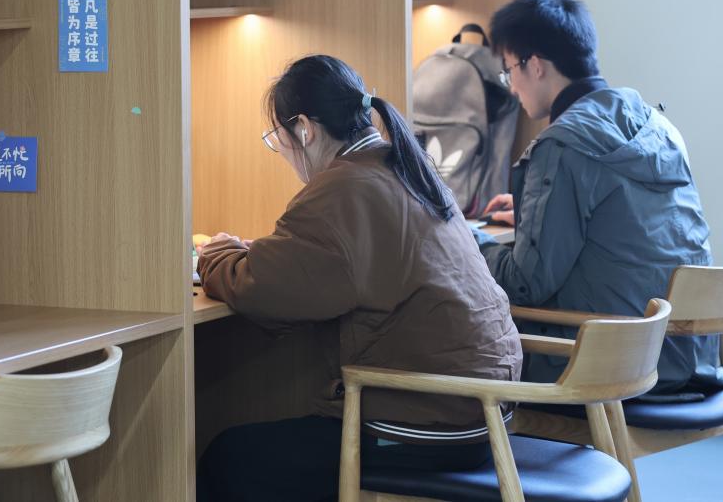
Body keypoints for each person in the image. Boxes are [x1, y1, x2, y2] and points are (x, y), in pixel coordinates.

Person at [196, 55, 522, 502]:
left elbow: (260, 288)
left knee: (228, 457)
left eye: (278, 139)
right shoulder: (402, 166)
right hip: (481, 413)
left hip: (424, 422)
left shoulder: (345, 187)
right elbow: (332, 261)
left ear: (304, 129)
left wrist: (218, 252)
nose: (283, 153)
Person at [474, 0, 723, 395]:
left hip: (607, 366)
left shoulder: (563, 145)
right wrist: (534, 208)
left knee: (449, 336)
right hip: (687, 354)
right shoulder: (655, 124)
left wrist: (467, 237)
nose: (512, 87)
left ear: (534, 65)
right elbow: (618, 221)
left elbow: (525, 284)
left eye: (509, 72)